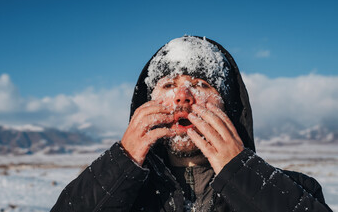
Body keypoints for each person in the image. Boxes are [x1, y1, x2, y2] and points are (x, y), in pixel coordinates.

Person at [51, 36, 332, 212]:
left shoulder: (299, 188)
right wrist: (122, 162)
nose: (182, 96)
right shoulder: (129, 194)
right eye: (169, 84)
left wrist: (242, 172)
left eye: (200, 84)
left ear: (229, 108)